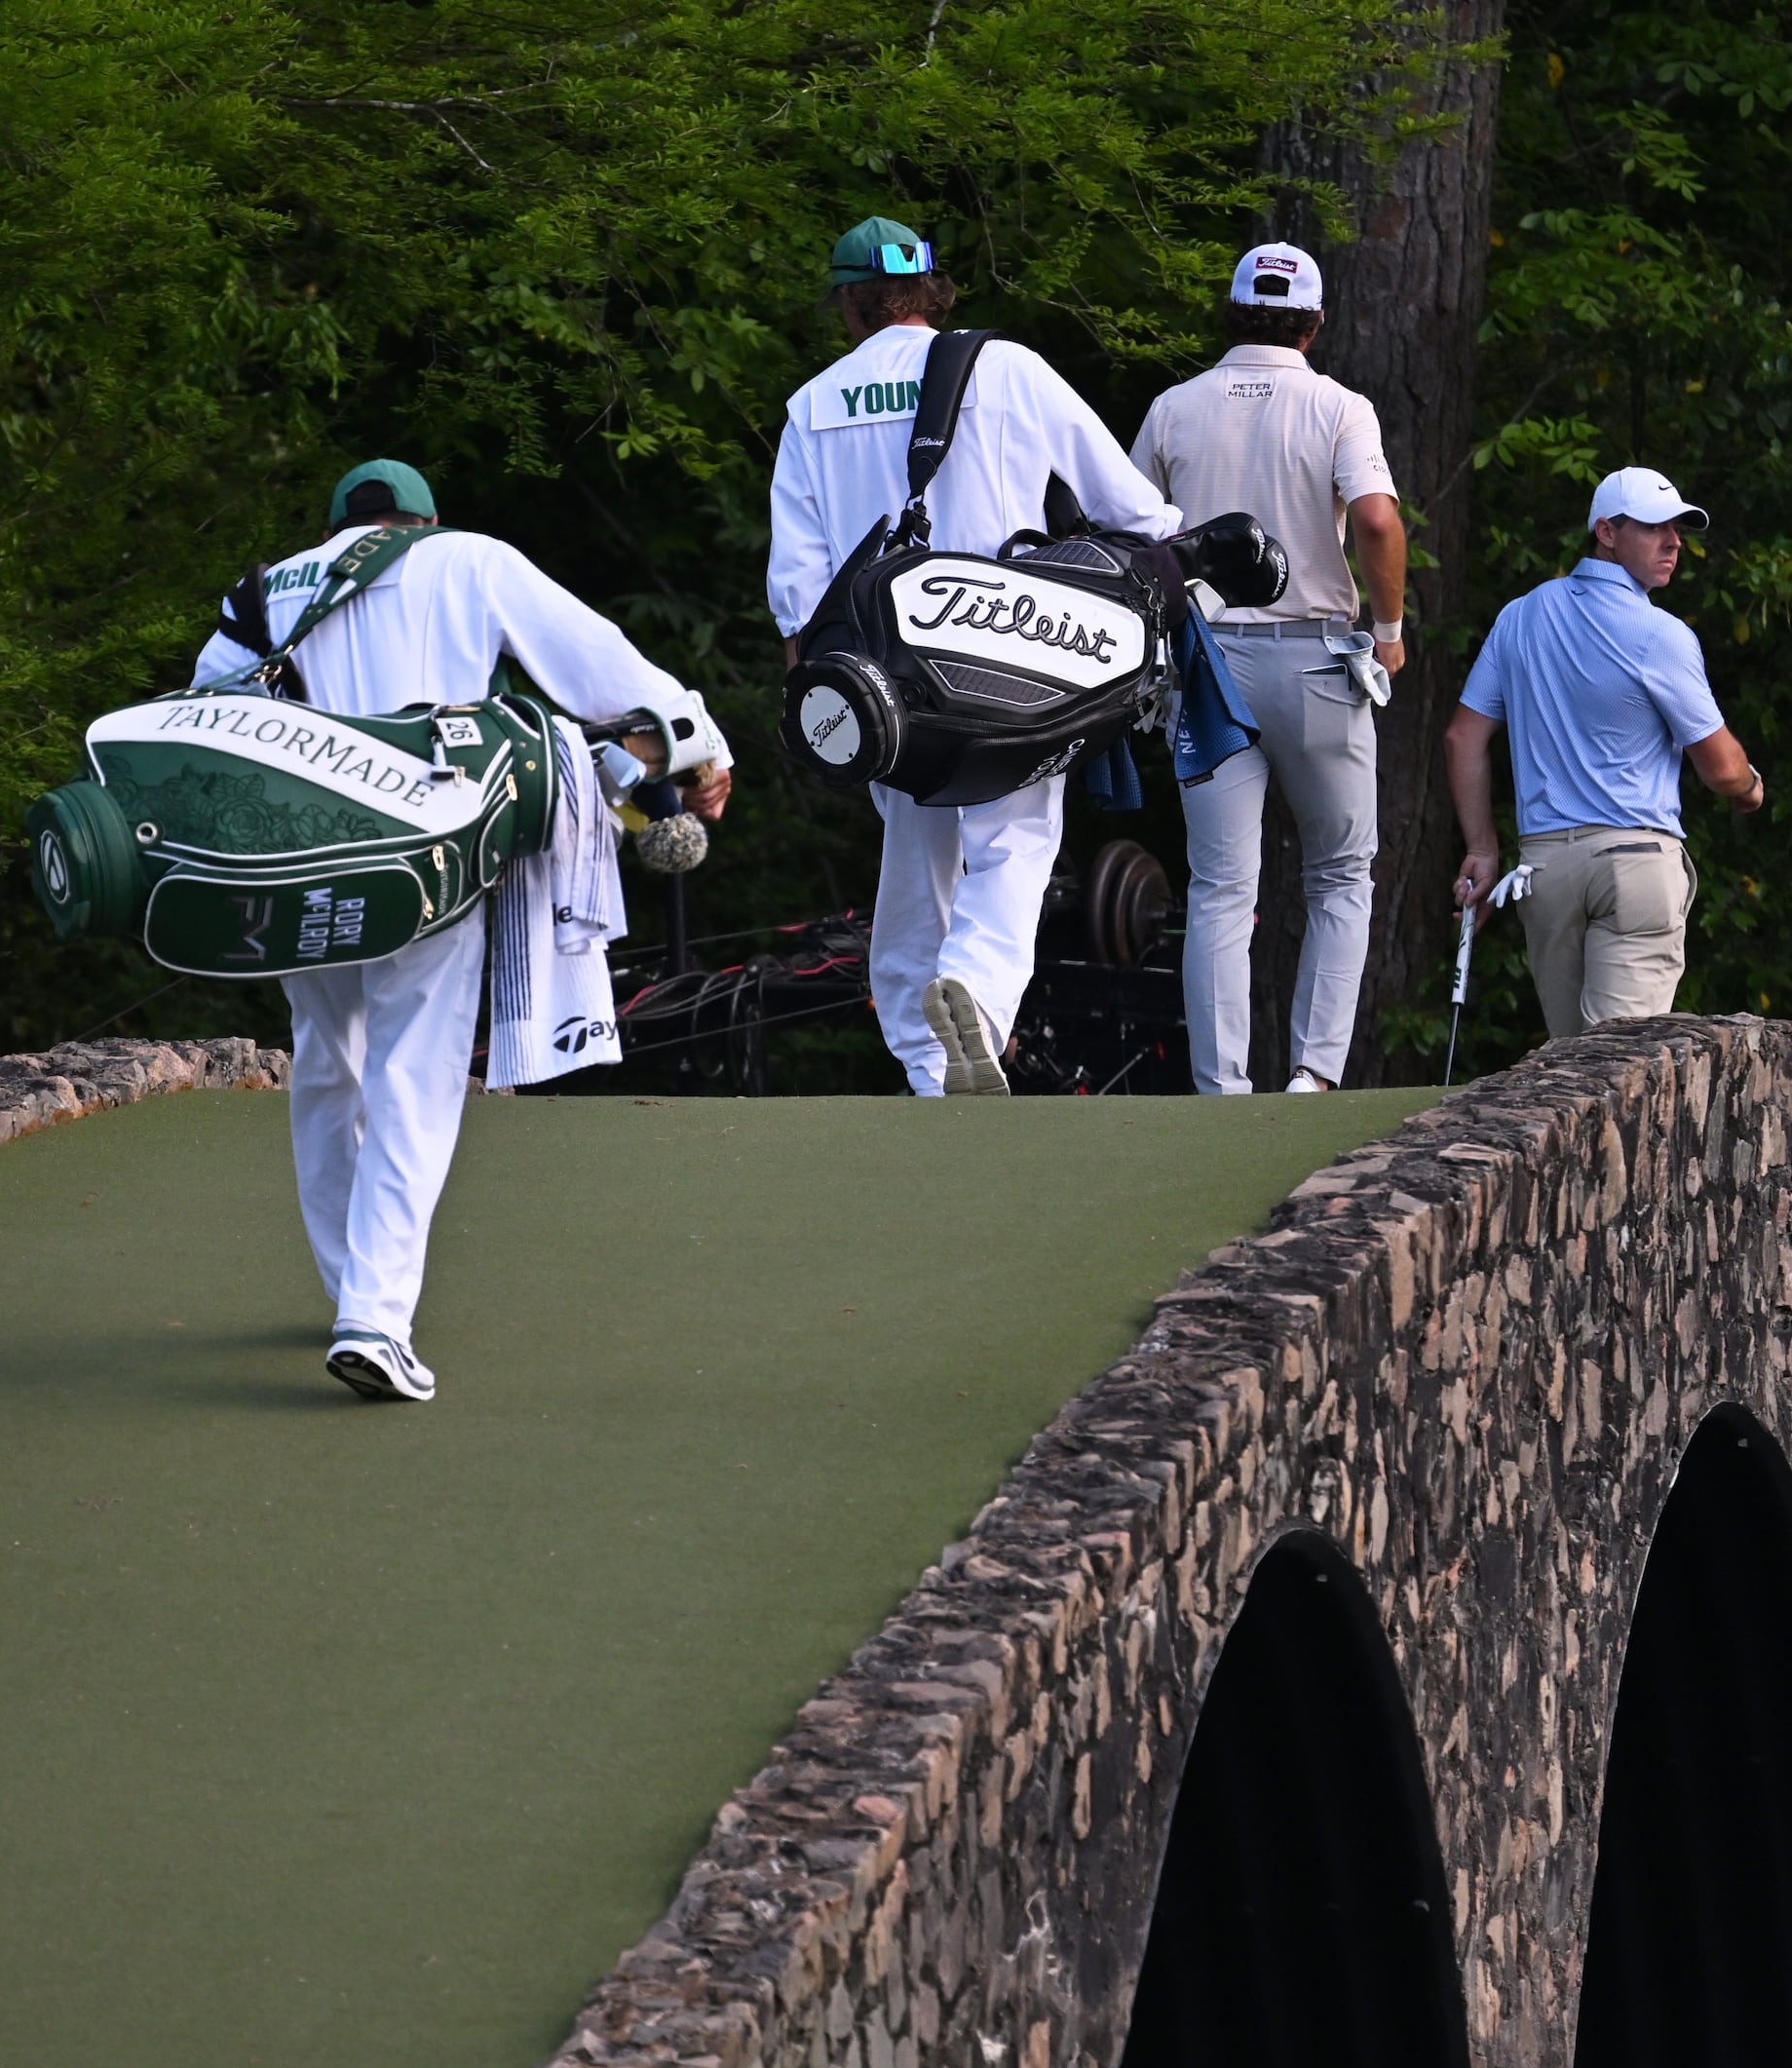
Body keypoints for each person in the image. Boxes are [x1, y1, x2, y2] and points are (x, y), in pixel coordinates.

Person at [191, 458, 730, 1402]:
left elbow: (205, 719)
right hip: (421, 849)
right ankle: (374, 1316)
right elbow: (601, 666)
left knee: (327, 1062)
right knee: (415, 1071)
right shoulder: (464, 560)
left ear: (334, 530)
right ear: (424, 517)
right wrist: (699, 743)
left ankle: (350, 1289)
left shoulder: (264, 589)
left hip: (295, 861)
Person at [766, 217, 1182, 1095]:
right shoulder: (1008, 369)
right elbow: (1132, 509)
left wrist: (820, 707)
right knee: (1016, 841)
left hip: (874, 677)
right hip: (1008, 656)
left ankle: (925, 1060)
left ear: (849, 303)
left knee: (916, 854)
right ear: (932, 290)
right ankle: (979, 999)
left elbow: (797, 590)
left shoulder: (813, 405)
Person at [1128, 242, 1409, 1094]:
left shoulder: (1174, 407)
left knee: (1218, 886)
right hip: (1317, 663)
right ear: (1315, 323)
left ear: (1233, 311)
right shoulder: (1336, 405)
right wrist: (1389, 627)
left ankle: (1223, 1091)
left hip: (1207, 664)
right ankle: (1314, 1077)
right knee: (1339, 871)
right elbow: (1377, 521)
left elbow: (1130, 536)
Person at [1444, 467, 1766, 1036]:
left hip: (1545, 871)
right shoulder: (1660, 634)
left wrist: (1482, 849)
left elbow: (1463, 737)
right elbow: (1721, 770)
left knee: (1573, 1077)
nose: (1674, 542)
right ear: (1607, 532)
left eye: (1678, 529)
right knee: (1616, 1082)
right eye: (1654, 528)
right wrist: (1750, 788)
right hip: (1635, 864)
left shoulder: (1520, 616)